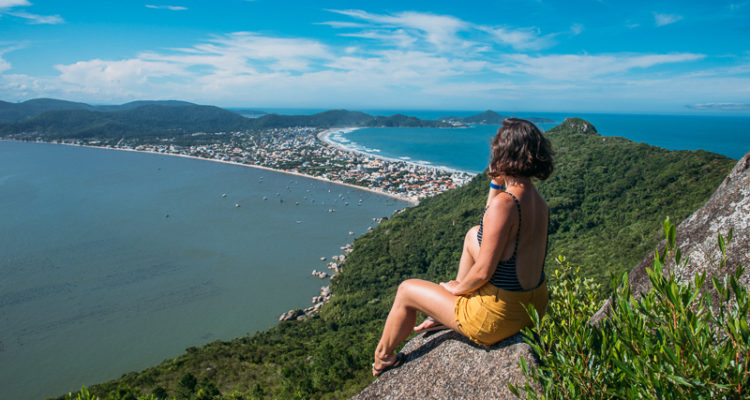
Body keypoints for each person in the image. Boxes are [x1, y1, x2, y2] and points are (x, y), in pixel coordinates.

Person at [371, 118, 554, 376]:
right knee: (471, 235)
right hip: (533, 308)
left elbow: (481, 273)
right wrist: (496, 183)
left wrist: (457, 289)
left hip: (499, 318)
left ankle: (382, 359)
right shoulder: (538, 201)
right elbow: (486, 230)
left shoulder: (506, 205)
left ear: (503, 154)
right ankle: (446, 314)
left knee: (406, 291)